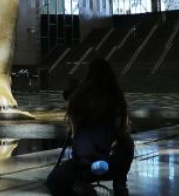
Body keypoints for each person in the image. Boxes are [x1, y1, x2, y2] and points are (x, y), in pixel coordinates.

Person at [47, 58, 133, 196]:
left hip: (82, 163)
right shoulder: (116, 99)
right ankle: (120, 184)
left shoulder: (80, 98)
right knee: (127, 142)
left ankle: (84, 185)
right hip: (107, 164)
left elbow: (74, 130)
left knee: (53, 180)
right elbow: (122, 131)